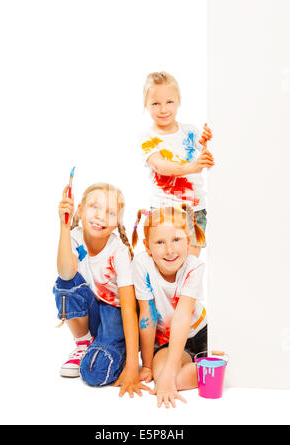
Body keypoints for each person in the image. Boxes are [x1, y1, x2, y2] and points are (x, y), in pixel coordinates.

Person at [53, 182, 150, 397]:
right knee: (64, 284)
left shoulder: (119, 252)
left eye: (110, 212)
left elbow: (128, 310)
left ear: (117, 222)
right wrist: (64, 225)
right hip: (92, 311)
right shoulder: (74, 236)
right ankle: (84, 343)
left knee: (93, 373)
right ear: (80, 210)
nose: (100, 216)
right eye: (94, 207)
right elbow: (66, 274)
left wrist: (133, 364)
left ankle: (119, 350)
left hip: (115, 316)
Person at [132, 206, 207, 408]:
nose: (170, 250)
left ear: (188, 241)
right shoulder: (142, 264)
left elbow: (183, 315)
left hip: (198, 334)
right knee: (160, 375)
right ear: (148, 247)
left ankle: (205, 359)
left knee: (171, 378)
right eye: (160, 242)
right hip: (165, 341)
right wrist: (147, 365)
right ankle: (203, 363)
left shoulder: (194, 266)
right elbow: (147, 315)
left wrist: (171, 372)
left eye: (176, 240)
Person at [141, 71, 214, 257]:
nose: (163, 109)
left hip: (194, 212)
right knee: (164, 265)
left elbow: (209, 153)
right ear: (146, 105)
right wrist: (192, 167)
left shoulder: (190, 131)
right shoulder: (148, 138)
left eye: (169, 102)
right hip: (163, 212)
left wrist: (208, 140)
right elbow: (160, 166)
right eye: (156, 103)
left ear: (179, 101)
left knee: (190, 266)